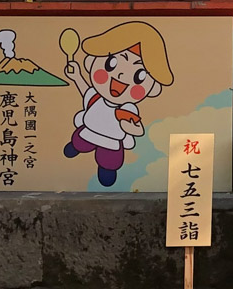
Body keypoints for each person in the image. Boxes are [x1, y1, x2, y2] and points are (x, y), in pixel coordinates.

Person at [60, 21, 173, 186]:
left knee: (109, 160)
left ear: (152, 88)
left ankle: (106, 169)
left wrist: (130, 128)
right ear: (92, 62)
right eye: (111, 63)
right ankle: (75, 147)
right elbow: (87, 92)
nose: (121, 76)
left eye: (139, 76)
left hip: (112, 140)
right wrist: (77, 76)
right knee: (80, 140)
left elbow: (136, 126)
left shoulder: (126, 109)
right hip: (90, 128)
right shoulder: (97, 98)